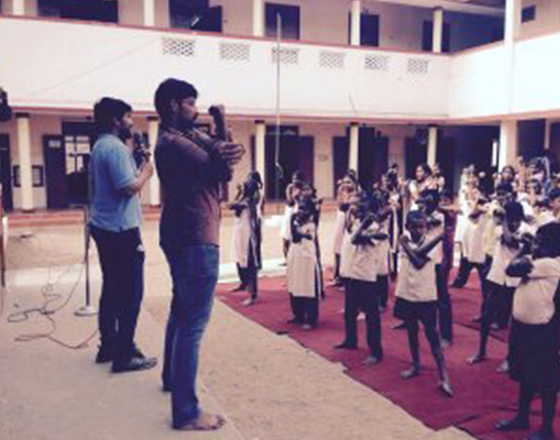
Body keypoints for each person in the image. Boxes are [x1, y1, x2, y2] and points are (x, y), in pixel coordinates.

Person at [154, 78, 244, 431]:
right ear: (174, 105)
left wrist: (221, 126)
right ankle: (186, 412)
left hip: (180, 233)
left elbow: (222, 151)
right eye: (190, 102)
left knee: (181, 310)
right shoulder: (173, 142)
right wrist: (223, 143)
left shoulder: (185, 136)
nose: (195, 109)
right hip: (195, 235)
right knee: (193, 323)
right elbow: (222, 170)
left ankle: (171, 379)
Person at [89, 97, 157, 372]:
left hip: (104, 226)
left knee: (112, 287)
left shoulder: (101, 145)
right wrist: (146, 173)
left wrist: (136, 163)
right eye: (128, 117)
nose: (132, 122)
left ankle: (109, 345)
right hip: (121, 231)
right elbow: (128, 188)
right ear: (116, 120)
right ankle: (124, 355)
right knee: (131, 293)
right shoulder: (116, 149)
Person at [495, 222, 560, 440]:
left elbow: (511, 268)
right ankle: (522, 417)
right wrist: (530, 249)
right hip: (524, 329)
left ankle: (547, 430)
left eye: (541, 242)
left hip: (542, 332)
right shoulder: (538, 261)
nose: (537, 245)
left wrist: (525, 248)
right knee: (525, 376)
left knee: (547, 383)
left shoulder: (551, 264)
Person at [467, 202, 534, 366]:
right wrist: (503, 219)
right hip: (497, 277)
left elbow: (514, 241)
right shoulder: (499, 227)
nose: (513, 223)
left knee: (514, 321)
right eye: (510, 220)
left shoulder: (528, 229)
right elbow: (508, 238)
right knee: (486, 316)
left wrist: (504, 219)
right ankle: (481, 351)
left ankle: (510, 358)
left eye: (516, 220)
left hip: (516, 281)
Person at [394, 211, 453, 397]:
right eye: (414, 227)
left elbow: (418, 261)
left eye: (422, 227)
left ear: (426, 228)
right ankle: (415, 364)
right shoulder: (406, 240)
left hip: (426, 296)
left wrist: (404, 244)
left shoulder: (430, 243)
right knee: (411, 330)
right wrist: (405, 244)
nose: (418, 230)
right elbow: (415, 255)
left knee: (432, 335)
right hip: (407, 293)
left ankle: (444, 376)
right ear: (407, 227)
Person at [335, 191, 386, 366]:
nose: (353, 208)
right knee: (350, 311)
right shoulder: (354, 222)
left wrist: (364, 224)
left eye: (357, 204)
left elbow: (356, 239)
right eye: (353, 205)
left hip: (365, 275)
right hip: (351, 272)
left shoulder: (374, 225)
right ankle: (351, 339)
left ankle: (375, 351)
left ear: (367, 207)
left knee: (371, 315)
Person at [287, 198, 321, 329]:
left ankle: (311, 319)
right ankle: (298, 315)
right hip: (295, 257)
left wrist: (294, 222)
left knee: (308, 287)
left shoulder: (311, 225)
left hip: (307, 260)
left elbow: (297, 236)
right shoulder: (295, 222)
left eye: (304, 209)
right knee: (295, 285)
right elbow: (294, 237)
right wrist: (293, 220)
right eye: (299, 208)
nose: (300, 211)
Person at [230, 172, 262, 305]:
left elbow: (233, 206)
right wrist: (239, 193)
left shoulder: (250, 201)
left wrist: (240, 198)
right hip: (240, 232)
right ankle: (244, 283)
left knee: (250, 263)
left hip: (248, 235)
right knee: (240, 258)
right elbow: (234, 204)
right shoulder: (244, 198)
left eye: (245, 186)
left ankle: (253, 294)